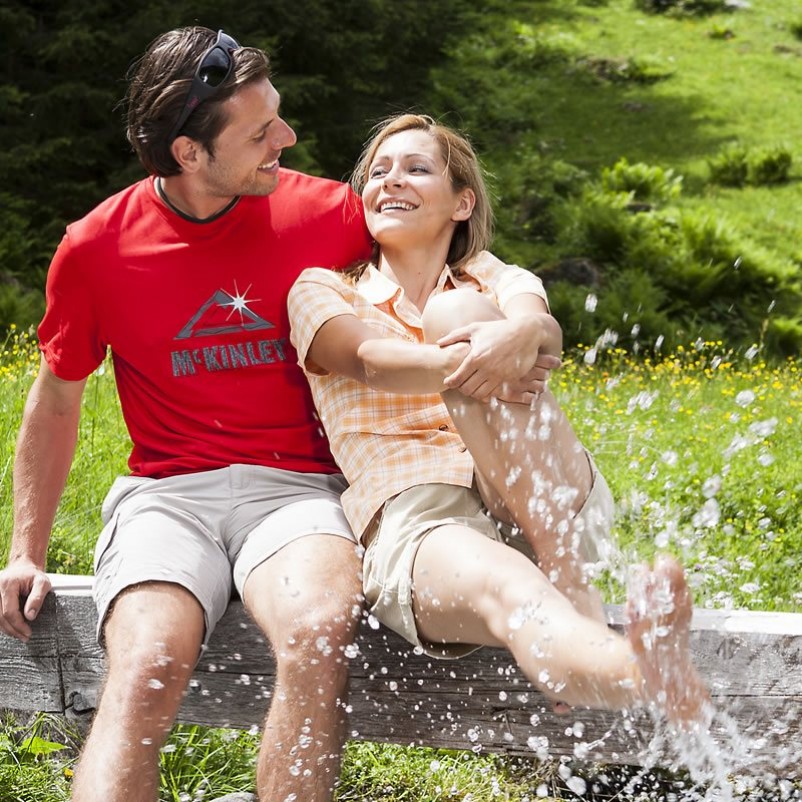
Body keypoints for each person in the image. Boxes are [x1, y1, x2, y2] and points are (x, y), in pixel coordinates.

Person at [0, 26, 375, 802]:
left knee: (318, 633)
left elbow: (450, 258)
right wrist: (25, 550)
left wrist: (521, 316)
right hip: (168, 496)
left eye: (278, 115)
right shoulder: (96, 245)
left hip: (299, 491)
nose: (287, 137)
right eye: (261, 130)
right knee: (144, 665)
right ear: (189, 154)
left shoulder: (334, 215)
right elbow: (58, 398)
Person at [288, 113, 711, 726]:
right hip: (421, 507)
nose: (391, 181)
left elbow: (542, 326)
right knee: (511, 586)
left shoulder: (496, 277)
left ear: (462, 202)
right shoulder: (322, 288)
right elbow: (368, 360)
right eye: (378, 172)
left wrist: (527, 331)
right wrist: (487, 350)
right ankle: (640, 671)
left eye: (416, 168)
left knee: (459, 305)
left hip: (550, 494)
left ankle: (557, 553)